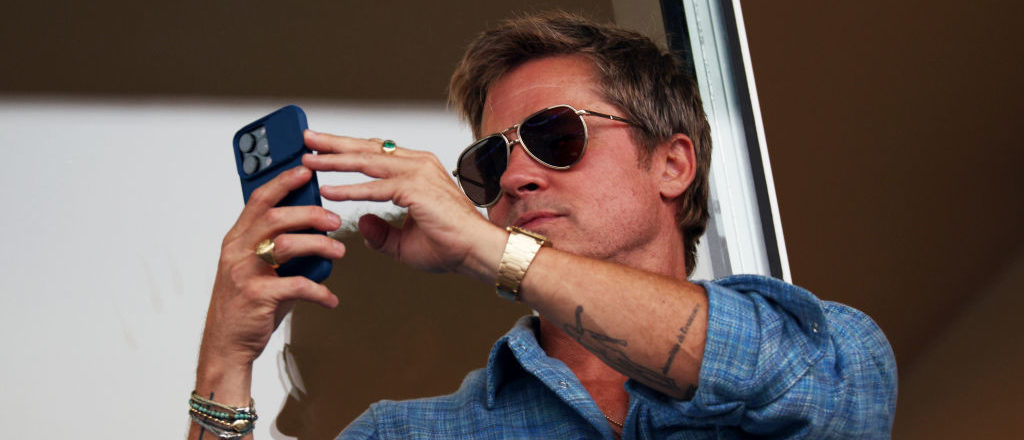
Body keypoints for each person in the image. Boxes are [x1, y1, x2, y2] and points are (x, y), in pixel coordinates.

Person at [188, 12, 897, 440]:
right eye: (491, 161)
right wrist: (225, 359)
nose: (515, 178)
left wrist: (487, 246)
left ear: (672, 163)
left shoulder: (826, 351)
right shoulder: (406, 434)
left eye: (557, 136)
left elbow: (825, 394)